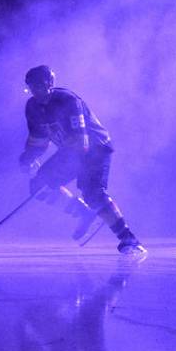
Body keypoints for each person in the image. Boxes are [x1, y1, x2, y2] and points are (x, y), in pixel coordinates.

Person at [18, 65, 146, 255]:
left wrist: (60, 167)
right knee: (39, 185)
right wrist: (28, 158)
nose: (36, 91)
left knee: (92, 192)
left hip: (96, 149)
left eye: (40, 86)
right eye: (31, 87)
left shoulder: (68, 101)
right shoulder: (32, 107)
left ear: (50, 84)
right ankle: (84, 214)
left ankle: (129, 240)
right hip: (70, 151)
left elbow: (81, 142)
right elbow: (39, 140)